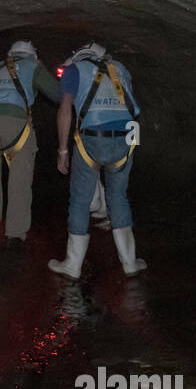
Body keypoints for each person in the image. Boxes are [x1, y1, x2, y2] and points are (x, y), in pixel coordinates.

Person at [48, 42, 147, 279]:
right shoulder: (121, 68)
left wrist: (62, 150)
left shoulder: (75, 70)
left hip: (92, 139)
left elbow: (65, 109)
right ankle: (130, 263)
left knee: (80, 201)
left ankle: (72, 265)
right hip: (128, 137)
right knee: (118, 196)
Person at [0, 40, 61, 247]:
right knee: (19, 177)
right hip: (13, 122)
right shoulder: (32, 66)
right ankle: (15, 234)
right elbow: (57, 94)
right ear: (33, 56)